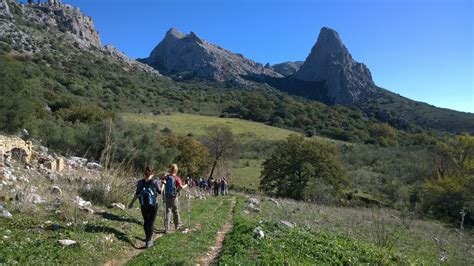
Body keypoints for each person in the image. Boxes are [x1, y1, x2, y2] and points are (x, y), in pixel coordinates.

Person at [128, 165, 161, 248]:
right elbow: (160, 191)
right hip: (153, 204)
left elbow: (137, 193)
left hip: (143, 205)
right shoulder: (155, 181)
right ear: (152, 172)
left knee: (146, 221)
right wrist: (163, 183)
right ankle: (149, 241)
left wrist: (131, 203)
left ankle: (147, 238)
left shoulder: (140, 182)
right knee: (151, 222)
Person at [161, 164, 187, 233]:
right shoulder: (177, 178)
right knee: (175, 210)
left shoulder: (166, 177)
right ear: (176, 170)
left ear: (170, 169)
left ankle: (166, 228)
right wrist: (186, 185)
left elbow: (162, 183)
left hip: (166, 196)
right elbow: (181, 187)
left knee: (167, 211)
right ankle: (177, 225)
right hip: (174, 197)